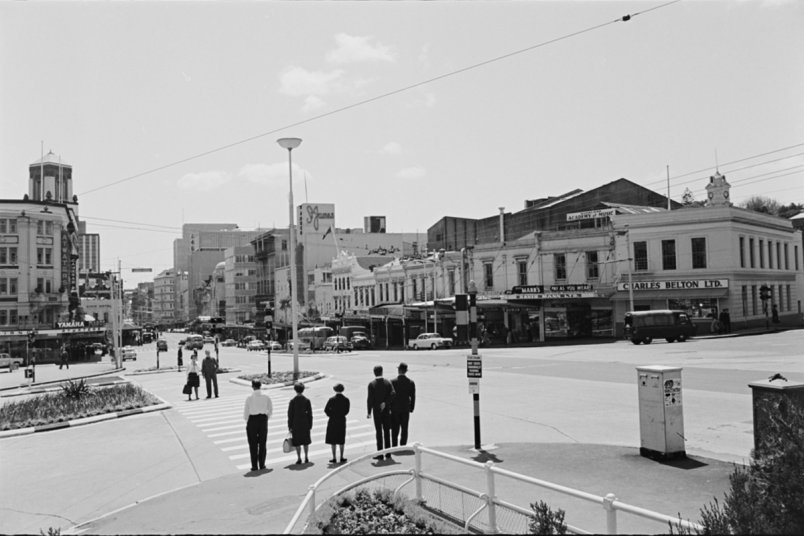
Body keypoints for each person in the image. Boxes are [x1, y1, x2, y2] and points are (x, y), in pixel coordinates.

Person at [243, 380, 273, 471]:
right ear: (260, 386)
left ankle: (254, 466)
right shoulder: (266, 397)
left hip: (252, 420)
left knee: (253, 444)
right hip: (263, 419)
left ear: (253, 387)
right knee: (262, 442)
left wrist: (248, 421)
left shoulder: (249, 398)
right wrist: (266, 418)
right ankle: (262, 464)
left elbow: (246, 413)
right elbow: (270, 410)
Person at [367, 365, 395, 461]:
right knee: (387, 431)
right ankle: (388, 453)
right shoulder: (388, 382)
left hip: (376, 411)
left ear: (374, 373)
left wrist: (369, 412)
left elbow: (369, 399)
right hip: (386, 410)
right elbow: (393, 394)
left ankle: (380, 454)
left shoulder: (372, 384)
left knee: (379, 432)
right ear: (382, 372)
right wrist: (385, 402)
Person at [390, 362, 415, 448]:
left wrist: (389, 408)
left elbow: (390, 396)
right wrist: (411, 408)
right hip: (405, 408)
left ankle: (394, 446)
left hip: (395, 409)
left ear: (399, 370)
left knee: (395, 429)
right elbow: (413, 397)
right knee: (404, 428)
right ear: (406, 371)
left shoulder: (392, 382)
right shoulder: (411, 382)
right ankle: (403, 445)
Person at [324, 383, 350, 464]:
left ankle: (334, 457)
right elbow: (347, 411)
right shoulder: (346, 399)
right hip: (341, 420)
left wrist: (331, 415)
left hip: (333, 421)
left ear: (335, 390)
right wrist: (341, 415)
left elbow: (326, 410)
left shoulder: (331, 399)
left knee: (333, 440)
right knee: (341, 439)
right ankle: (342, 457)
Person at [287, 382, 313, 465]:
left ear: (295, 390)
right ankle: (306, 457)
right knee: (305, 442)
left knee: (297, 442)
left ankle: (299, 458)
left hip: (296, 423)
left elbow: (290, 415)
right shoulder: (307, 400)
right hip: (305, 423)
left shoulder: (292, 401)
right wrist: (310, 424)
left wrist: (290, 426)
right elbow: (310, 414)